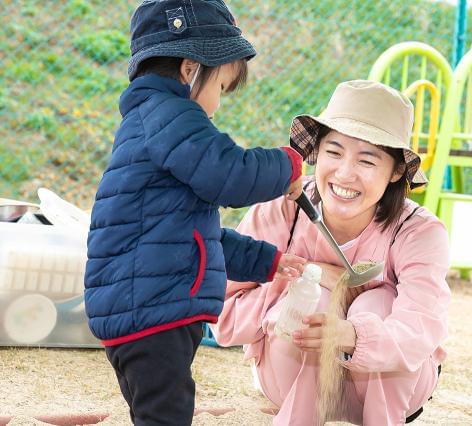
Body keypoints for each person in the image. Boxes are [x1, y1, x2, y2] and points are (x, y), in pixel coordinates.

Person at [83, 1, 307, 424]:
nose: (217, 104)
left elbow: (199, 236)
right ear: (190, 70)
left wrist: (267, 260)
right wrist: (289, 163)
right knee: (166, 415)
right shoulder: (173, 117)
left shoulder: (150, 125)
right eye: (220, 87)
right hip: (154, 310)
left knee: (157, 412)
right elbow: (232, 174)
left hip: (142, 310)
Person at [215, 80, 451, 425]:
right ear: (316, 151)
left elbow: (422, 327)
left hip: (391, 392)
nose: (344, 173)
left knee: (377, 303)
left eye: (367, 160)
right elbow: (223, 317)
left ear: (397, 171)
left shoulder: (418, 231)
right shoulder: (283, 209)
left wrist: (352, 335)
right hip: (290, 381)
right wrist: (303, 275)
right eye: (334, 152)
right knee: (312, 298)